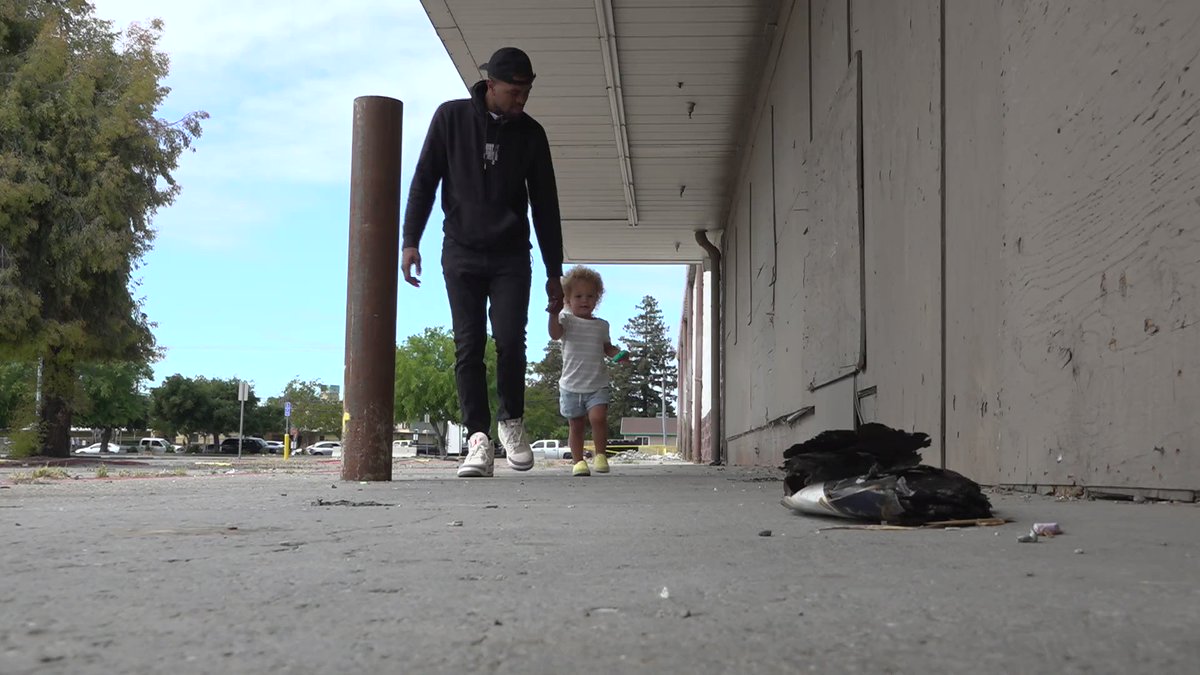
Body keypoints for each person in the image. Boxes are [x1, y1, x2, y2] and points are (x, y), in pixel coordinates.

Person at [401, 47, 565, 478]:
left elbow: (546, 206)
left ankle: (511, 422)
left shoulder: (531, 134)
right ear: (490, 85)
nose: (521, 100)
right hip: (461, 251)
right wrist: (409, 240)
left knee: (511, 339)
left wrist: (554, 272)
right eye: (514, 92)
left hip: (512, 253)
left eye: (527, 92)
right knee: (468, 344)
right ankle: (477, 439)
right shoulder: (450, 119)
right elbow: (424, 180)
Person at [548, 265, 624, 477]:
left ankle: (600, 455)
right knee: (576, 425)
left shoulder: (601, 326)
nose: (584, 300)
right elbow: (555, 334)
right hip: (571, 385)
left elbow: (607, 348)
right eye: (578, 296)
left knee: (598, 418)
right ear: (567, 300)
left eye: (590, 296)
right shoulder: (566, 320)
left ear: (597, 299)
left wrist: (619, 356)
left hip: (597, 383)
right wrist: (553, 314)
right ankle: (578, 461)